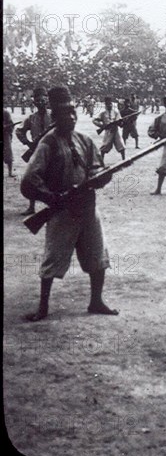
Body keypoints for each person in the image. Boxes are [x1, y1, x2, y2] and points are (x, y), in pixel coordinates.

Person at [20, 86, 118, 321]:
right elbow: (29, 181)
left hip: (88, 208)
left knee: (97, 256)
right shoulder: (48, 144)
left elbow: (97, 169)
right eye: (65, 113)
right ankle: (43, 307)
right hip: (62, 211)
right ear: (55, 117)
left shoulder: (84, 140)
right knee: (53, 259)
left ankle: (96, 301)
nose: (72, 117)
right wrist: (52, 198)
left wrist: (103, 176)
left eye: (73, 112)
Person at [16, 87, 53, 215]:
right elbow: (19, 131)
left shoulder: (54, 116)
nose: (40, 103)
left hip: (52, 151)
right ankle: (31, 207)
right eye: (38, 101)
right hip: (36, 151)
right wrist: (27, 143)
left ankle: (54, 205)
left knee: (54, 178)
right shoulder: (31, 118)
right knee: (31, 178)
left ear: (47, 101)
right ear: (35, 103)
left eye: (43, 100)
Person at [3, 109, 15, 177]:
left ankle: (10, 172)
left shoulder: (5, 112)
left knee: (8, 153)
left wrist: (6, 127)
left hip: (5, 134)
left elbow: (11, 124)